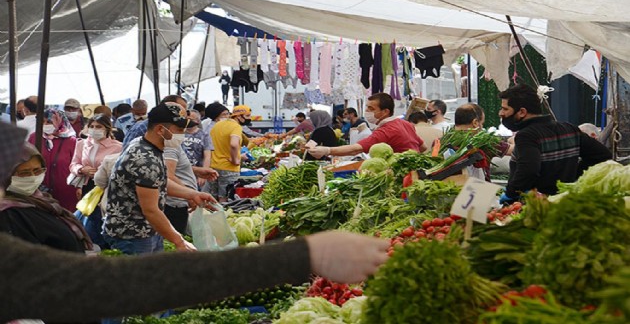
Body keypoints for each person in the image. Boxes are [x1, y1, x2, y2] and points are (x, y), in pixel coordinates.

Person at [0, 123, 388, 323]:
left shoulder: (33, 206)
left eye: (37, 169)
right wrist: (303, 255)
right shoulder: (11, 223)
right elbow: (111, 283)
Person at [103, 103, 216, 255]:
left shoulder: (146, 145)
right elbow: (150, 210)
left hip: (147, 230)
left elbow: (157, 182)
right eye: (179, 130)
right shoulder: (145, 158)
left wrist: (192, 194)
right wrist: (179, 241)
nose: (183, 135)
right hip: (133, 235)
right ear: (161, 130)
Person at [498, 85, 612, 203]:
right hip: (565, 202)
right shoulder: (569, 129)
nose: (501, 113)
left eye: (505, 109)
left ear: (522, 112)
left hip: (536, 207)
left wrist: (511, 194)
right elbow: (602, 155)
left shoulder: (527, 135)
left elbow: (529, 170)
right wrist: (574, 176)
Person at [0, 143, 92, 253]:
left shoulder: (42, 200)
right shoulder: (8, 214)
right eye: (24, 173)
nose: (33, 177)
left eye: (37, 170)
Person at [309, 93, 426, 159]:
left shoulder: (386, 130)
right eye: (367, 107)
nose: (367, 111)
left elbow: (355, 149)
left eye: (371, 109)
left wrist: (327, 150)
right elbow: (423, 147)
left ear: (385, 112)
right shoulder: (405, 124)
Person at [69, 114, 123, 248]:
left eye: (98, 126)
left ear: (107, 128)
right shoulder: (82, 143)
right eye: (91, 126)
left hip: (107, 188)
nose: (94, 129)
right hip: (88, 186)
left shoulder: (118, 147)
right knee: (89, 219)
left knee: (103, 219)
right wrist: (82, 169)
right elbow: (73, 164)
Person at [28, 108, 78, 212]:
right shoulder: (35, 137)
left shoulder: (72, 141)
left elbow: (77, 164)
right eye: (42, 122)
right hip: (40, 190)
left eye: (49, 121)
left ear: (59, 121)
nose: (45, 124)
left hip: (66, 192)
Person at [210, 105, 251, 202]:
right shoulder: (235, 127)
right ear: (238, 116)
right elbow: (233, 144)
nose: (249, 119)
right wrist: (235, 159)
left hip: (214, 166)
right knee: (226, 199)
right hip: (229, 168)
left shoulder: (218, 125)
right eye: (247, 116)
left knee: (213, 199)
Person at [123, 95, 187, 148]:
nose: (185, 113)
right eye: (180, 109)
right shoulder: (142, 128)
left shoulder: (173, 132)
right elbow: (128, 151)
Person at [182, 109, 213, 187]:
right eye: (186, 118)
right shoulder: (179, 133)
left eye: (191, 119)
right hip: (181, 172)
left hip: (197, 173)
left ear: (198, 121)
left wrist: (203, 173)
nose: (188, 121)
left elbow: (207, 156)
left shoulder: (204, 135)